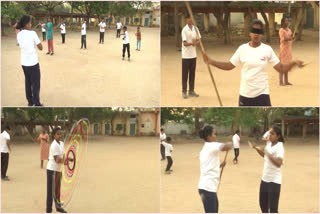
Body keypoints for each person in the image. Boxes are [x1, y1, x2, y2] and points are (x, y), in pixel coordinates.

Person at [202, 19, 305, 106]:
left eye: (259, 31)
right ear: (249, 33)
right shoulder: (242, 49)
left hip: (262, 94)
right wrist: (211, 61)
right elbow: (229, 65)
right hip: (245, 94)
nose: (256, 34)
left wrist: (294, 63)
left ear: (262, 34)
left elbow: (281, 68)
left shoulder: (267, 49)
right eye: (254, 31)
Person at [198, 125, 232, 213]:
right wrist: (230, 143)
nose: (215, 135)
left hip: (206, 188)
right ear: (209, 136)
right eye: (214, 133)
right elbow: (226, 147)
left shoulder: (205, 148)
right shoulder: (211, 145)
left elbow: (208, 166)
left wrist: (219, 165)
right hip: (208, 188)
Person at [251, 125, 284, 213]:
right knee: (263, 205)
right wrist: (257, 149)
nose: (270, 135)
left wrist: (267, 153)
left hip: (274, 181)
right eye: (270, 133)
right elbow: (265, 156)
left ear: (278, 136)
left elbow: (279, 163)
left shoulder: (279, 146)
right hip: (265, 179)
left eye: (272, 134)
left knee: (273, 209)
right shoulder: (269, 144)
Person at [16, 15, 43, 106]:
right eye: (30, 23)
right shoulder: (32, 33)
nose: (31, 24)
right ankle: (37, 103)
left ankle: (30, 102)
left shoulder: (19, 34)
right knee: (35, 84)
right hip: (33, 63)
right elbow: (41, 47)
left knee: (28, 82)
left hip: (24, 63)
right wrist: (36, 44)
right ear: (26, 24)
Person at [46, 127, 67, 213]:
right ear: (54, 135)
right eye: (58, 134)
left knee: (57, 189)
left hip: (59, 170)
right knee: (51, 190)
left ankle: (58, 207)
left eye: (60, 133)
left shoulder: (61, 143)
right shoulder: (53, 145)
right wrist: (65, 162)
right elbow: (57, 160)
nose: (59, 135)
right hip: (52, 170)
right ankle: (49, 209)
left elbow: (63, 155)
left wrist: (68, 159)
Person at [181, 15, 201, 99]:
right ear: (186, 20)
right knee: (185, 74)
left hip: (193, 55)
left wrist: (196, 42)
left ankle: (191, 91)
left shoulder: (195, 29)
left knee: (192, 74)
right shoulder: (184, 30)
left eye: (191, 19)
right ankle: (184, 91)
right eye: (188, 19)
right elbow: (184, 43)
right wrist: (192, 43)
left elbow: (199, 39)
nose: (190, 20)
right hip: (186, 56)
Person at [279, 17, 295, 86]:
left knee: (287, 65)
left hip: (288, 49)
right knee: (282, 65)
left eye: (287, 21)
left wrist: (292, 37)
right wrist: (289, 38)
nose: (287, 22)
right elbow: (283, 39)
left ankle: (286, 81)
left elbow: (290, 37)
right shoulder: (281, 30)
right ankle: (281, 82)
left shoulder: (289, 30)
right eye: (285, 21)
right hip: (283, 49)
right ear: (282, 22)